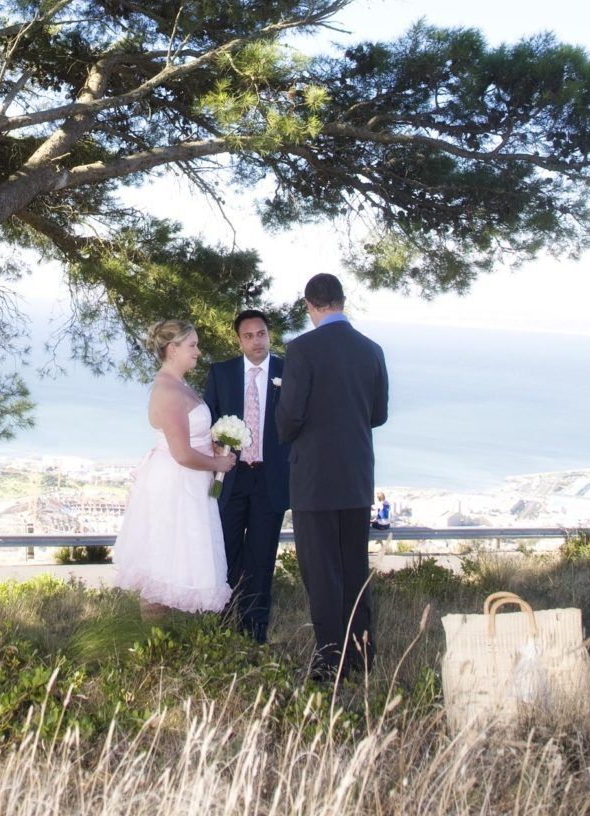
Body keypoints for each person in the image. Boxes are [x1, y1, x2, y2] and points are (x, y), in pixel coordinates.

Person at [275, 273, 389, 682]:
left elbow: (289, 418)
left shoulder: (301, 350)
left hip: (315, 479)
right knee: (354, 567)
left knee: (321, 571)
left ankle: (329, 660)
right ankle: (362, 654)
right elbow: (379, 414)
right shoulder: (372, 350)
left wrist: (286, 431)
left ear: (310, 306)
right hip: (356, 476)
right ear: (342, 301)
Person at [113, 319, 236, 615]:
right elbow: (181, 453)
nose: (198, 351)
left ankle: (173, 644)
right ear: (173, 349)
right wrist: (217, 462)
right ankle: (157, 646)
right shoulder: (168, 391)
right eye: (192, 345)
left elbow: (191, 438)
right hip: (176, 485)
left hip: (189, 484)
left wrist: (213, 444)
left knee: (181, 562)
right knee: (165, 563)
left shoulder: (179, 384)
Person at [203, 308, 290, 642]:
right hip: (231, 478)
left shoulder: (288, 371)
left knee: (261, 558)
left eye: (261, 334)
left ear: (269, 335)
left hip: (270, 479)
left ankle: (255, 632)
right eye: (249, 336)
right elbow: (208, 423)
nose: (256, 341)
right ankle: (224, 627)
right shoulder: (221, 373)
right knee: (224, 553)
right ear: (238, 340)